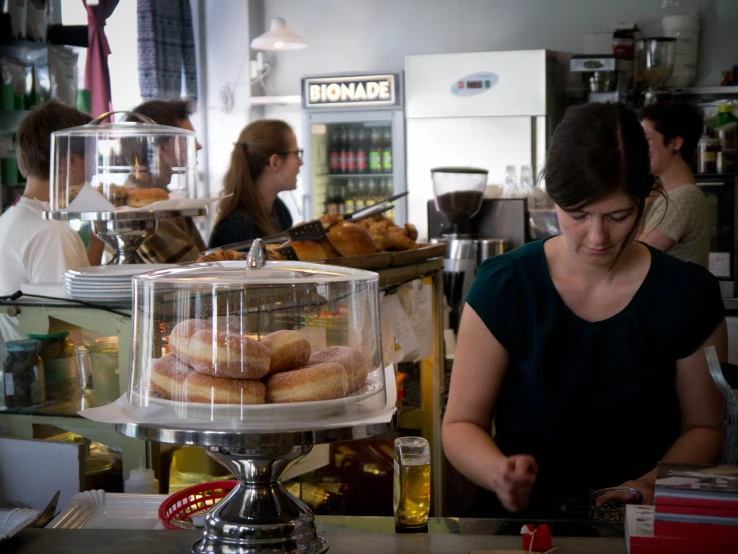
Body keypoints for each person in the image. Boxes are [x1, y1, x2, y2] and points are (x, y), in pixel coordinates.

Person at [442, 103, 725, 518]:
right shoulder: (505, 286)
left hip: (644, 522)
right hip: (524, 526)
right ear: (553, 199)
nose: (597, 237)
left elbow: (704, 428)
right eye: (577, 215)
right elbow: (460, 425)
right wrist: (496, 472)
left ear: (646, 197)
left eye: (617, 216)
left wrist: (649, 483)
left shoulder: (687, 295)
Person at [0, 101, 101, 296]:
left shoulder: (10, 217)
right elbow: (68, 317)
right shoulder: (51, 232)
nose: (93, 172)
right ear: (70, 160)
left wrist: (96, 244)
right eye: (92, 158)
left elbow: (75, 292)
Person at [127, 99, 206, 263]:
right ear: (162, 148)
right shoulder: (146, 204)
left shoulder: (161, 195)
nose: (198, 146)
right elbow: (189, 270)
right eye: (190, 139)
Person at [638, 101, 710, 267]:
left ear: (674, 143)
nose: (640, 148)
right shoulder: (667, 195)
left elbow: (635, 257)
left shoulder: (682, 199)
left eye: (647, 140)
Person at [208, 120, 299, 248]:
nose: (300, 162)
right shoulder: (234, 230)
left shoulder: (279, 210)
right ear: (275, 162)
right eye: (296, 154)